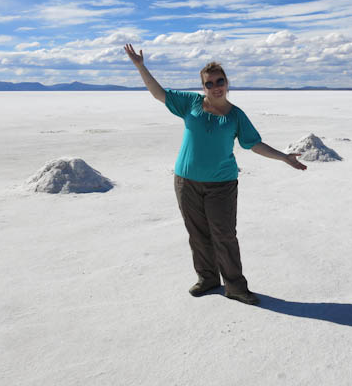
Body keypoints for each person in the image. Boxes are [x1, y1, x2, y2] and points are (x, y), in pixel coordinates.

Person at [124, 43, 306, 306]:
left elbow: (253, 143)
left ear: (227, 83)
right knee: (197, 234)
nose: (215, 86)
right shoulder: (191, 104)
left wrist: (284, 157)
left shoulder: (235, 115)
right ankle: (208, 279)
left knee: (224, 235)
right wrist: (141, 66)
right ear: (203, 87)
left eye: (220, 81)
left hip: (221, 184)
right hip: (186, 181)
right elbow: (158, 94)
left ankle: (235, 287)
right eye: (209, 83)